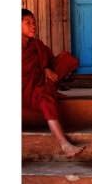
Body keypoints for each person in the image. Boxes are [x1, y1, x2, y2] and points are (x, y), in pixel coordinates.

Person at [22, 9, 85, 157]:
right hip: (26, 90)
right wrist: (43, 70)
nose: (33, 26)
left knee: (66, 59)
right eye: (28, 23)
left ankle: (49, 89)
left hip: (40, 81)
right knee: (46, 98)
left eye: (34, 22)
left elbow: (48, 59)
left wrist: (46, 68)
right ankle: (65, 144)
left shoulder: (36, 45)